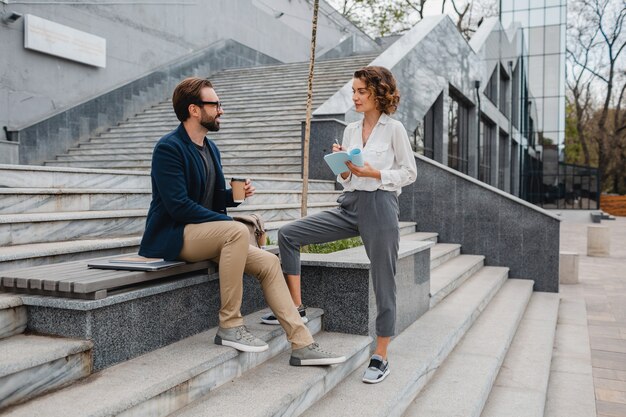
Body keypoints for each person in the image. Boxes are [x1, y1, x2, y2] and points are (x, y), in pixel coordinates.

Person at [138, 77, 345, 366]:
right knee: (235, 231)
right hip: (173, 235)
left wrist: (233, 197)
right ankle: (230, 325)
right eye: (215, 104)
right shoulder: (168, 148)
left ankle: (302, 344)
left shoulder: (211, 149)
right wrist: (231, 225)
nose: (221, 110)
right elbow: (178, 207)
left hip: (203, 232)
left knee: (269, 263)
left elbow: (207, 199)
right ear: (194, 110)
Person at [264, 66, 417, 383]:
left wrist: (374, 174)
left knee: (384, 280)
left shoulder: (394, 129)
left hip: (381, 206)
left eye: (362, 91)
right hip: (350, 205)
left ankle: (381, 355)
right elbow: (345, 180)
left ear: (378, 92)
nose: (356, 97)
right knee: (290, 234)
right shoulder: (350, 130)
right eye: (354, 91)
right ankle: (297, 308)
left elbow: (409, 173)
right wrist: (344, 166)